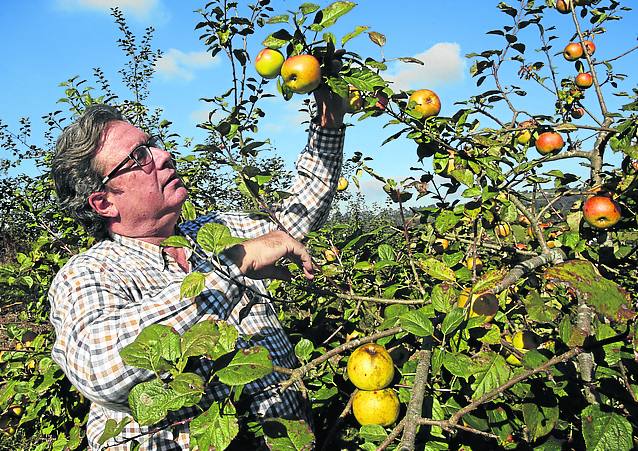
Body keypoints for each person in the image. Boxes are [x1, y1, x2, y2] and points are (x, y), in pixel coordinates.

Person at [49, 88, 346, 450]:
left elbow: (294, 217)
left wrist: (329, 121)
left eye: (153, 143)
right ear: (104, 202)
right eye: (139, 156)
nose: (163, 155)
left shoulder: (215, 233)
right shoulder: (91, 272)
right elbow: (100, 370)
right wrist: (233, 266)